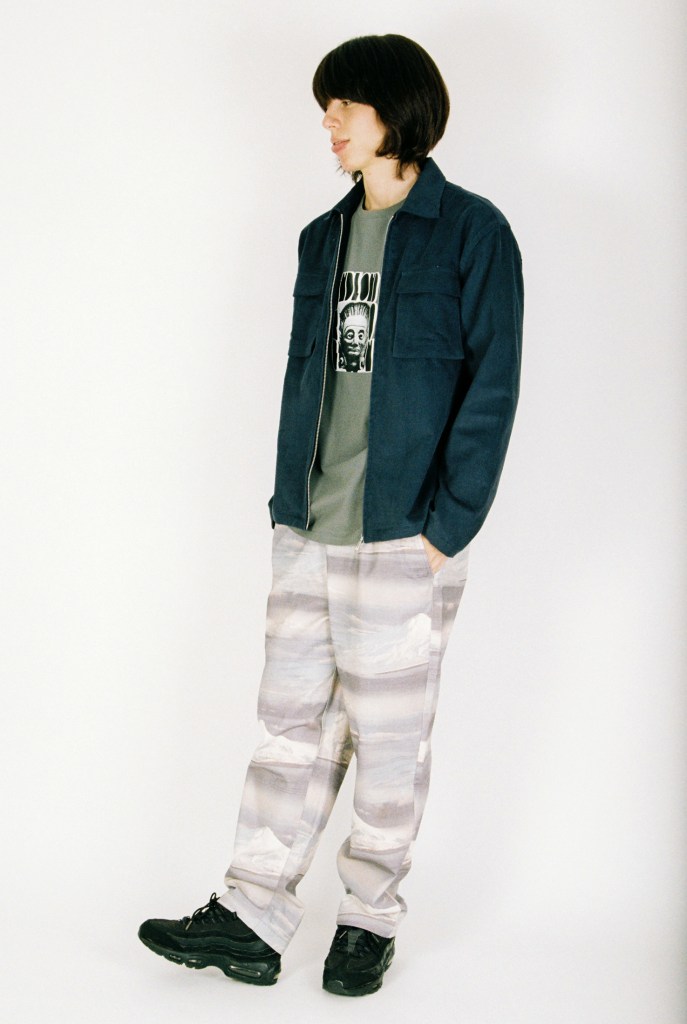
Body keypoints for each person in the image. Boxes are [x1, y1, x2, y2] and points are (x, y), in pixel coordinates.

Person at [138, 32, 524, 997]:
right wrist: (286, 507)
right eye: (327, 106)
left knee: (387, 743)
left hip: (404, 532)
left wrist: (447, 527)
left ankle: (368, 920)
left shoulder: (472, 232)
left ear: (397, 110)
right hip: (307, 526)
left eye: (344, 104)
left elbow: (492, 387)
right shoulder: (321, 237)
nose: (328, 122)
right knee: (288, 730)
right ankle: (251, 916)